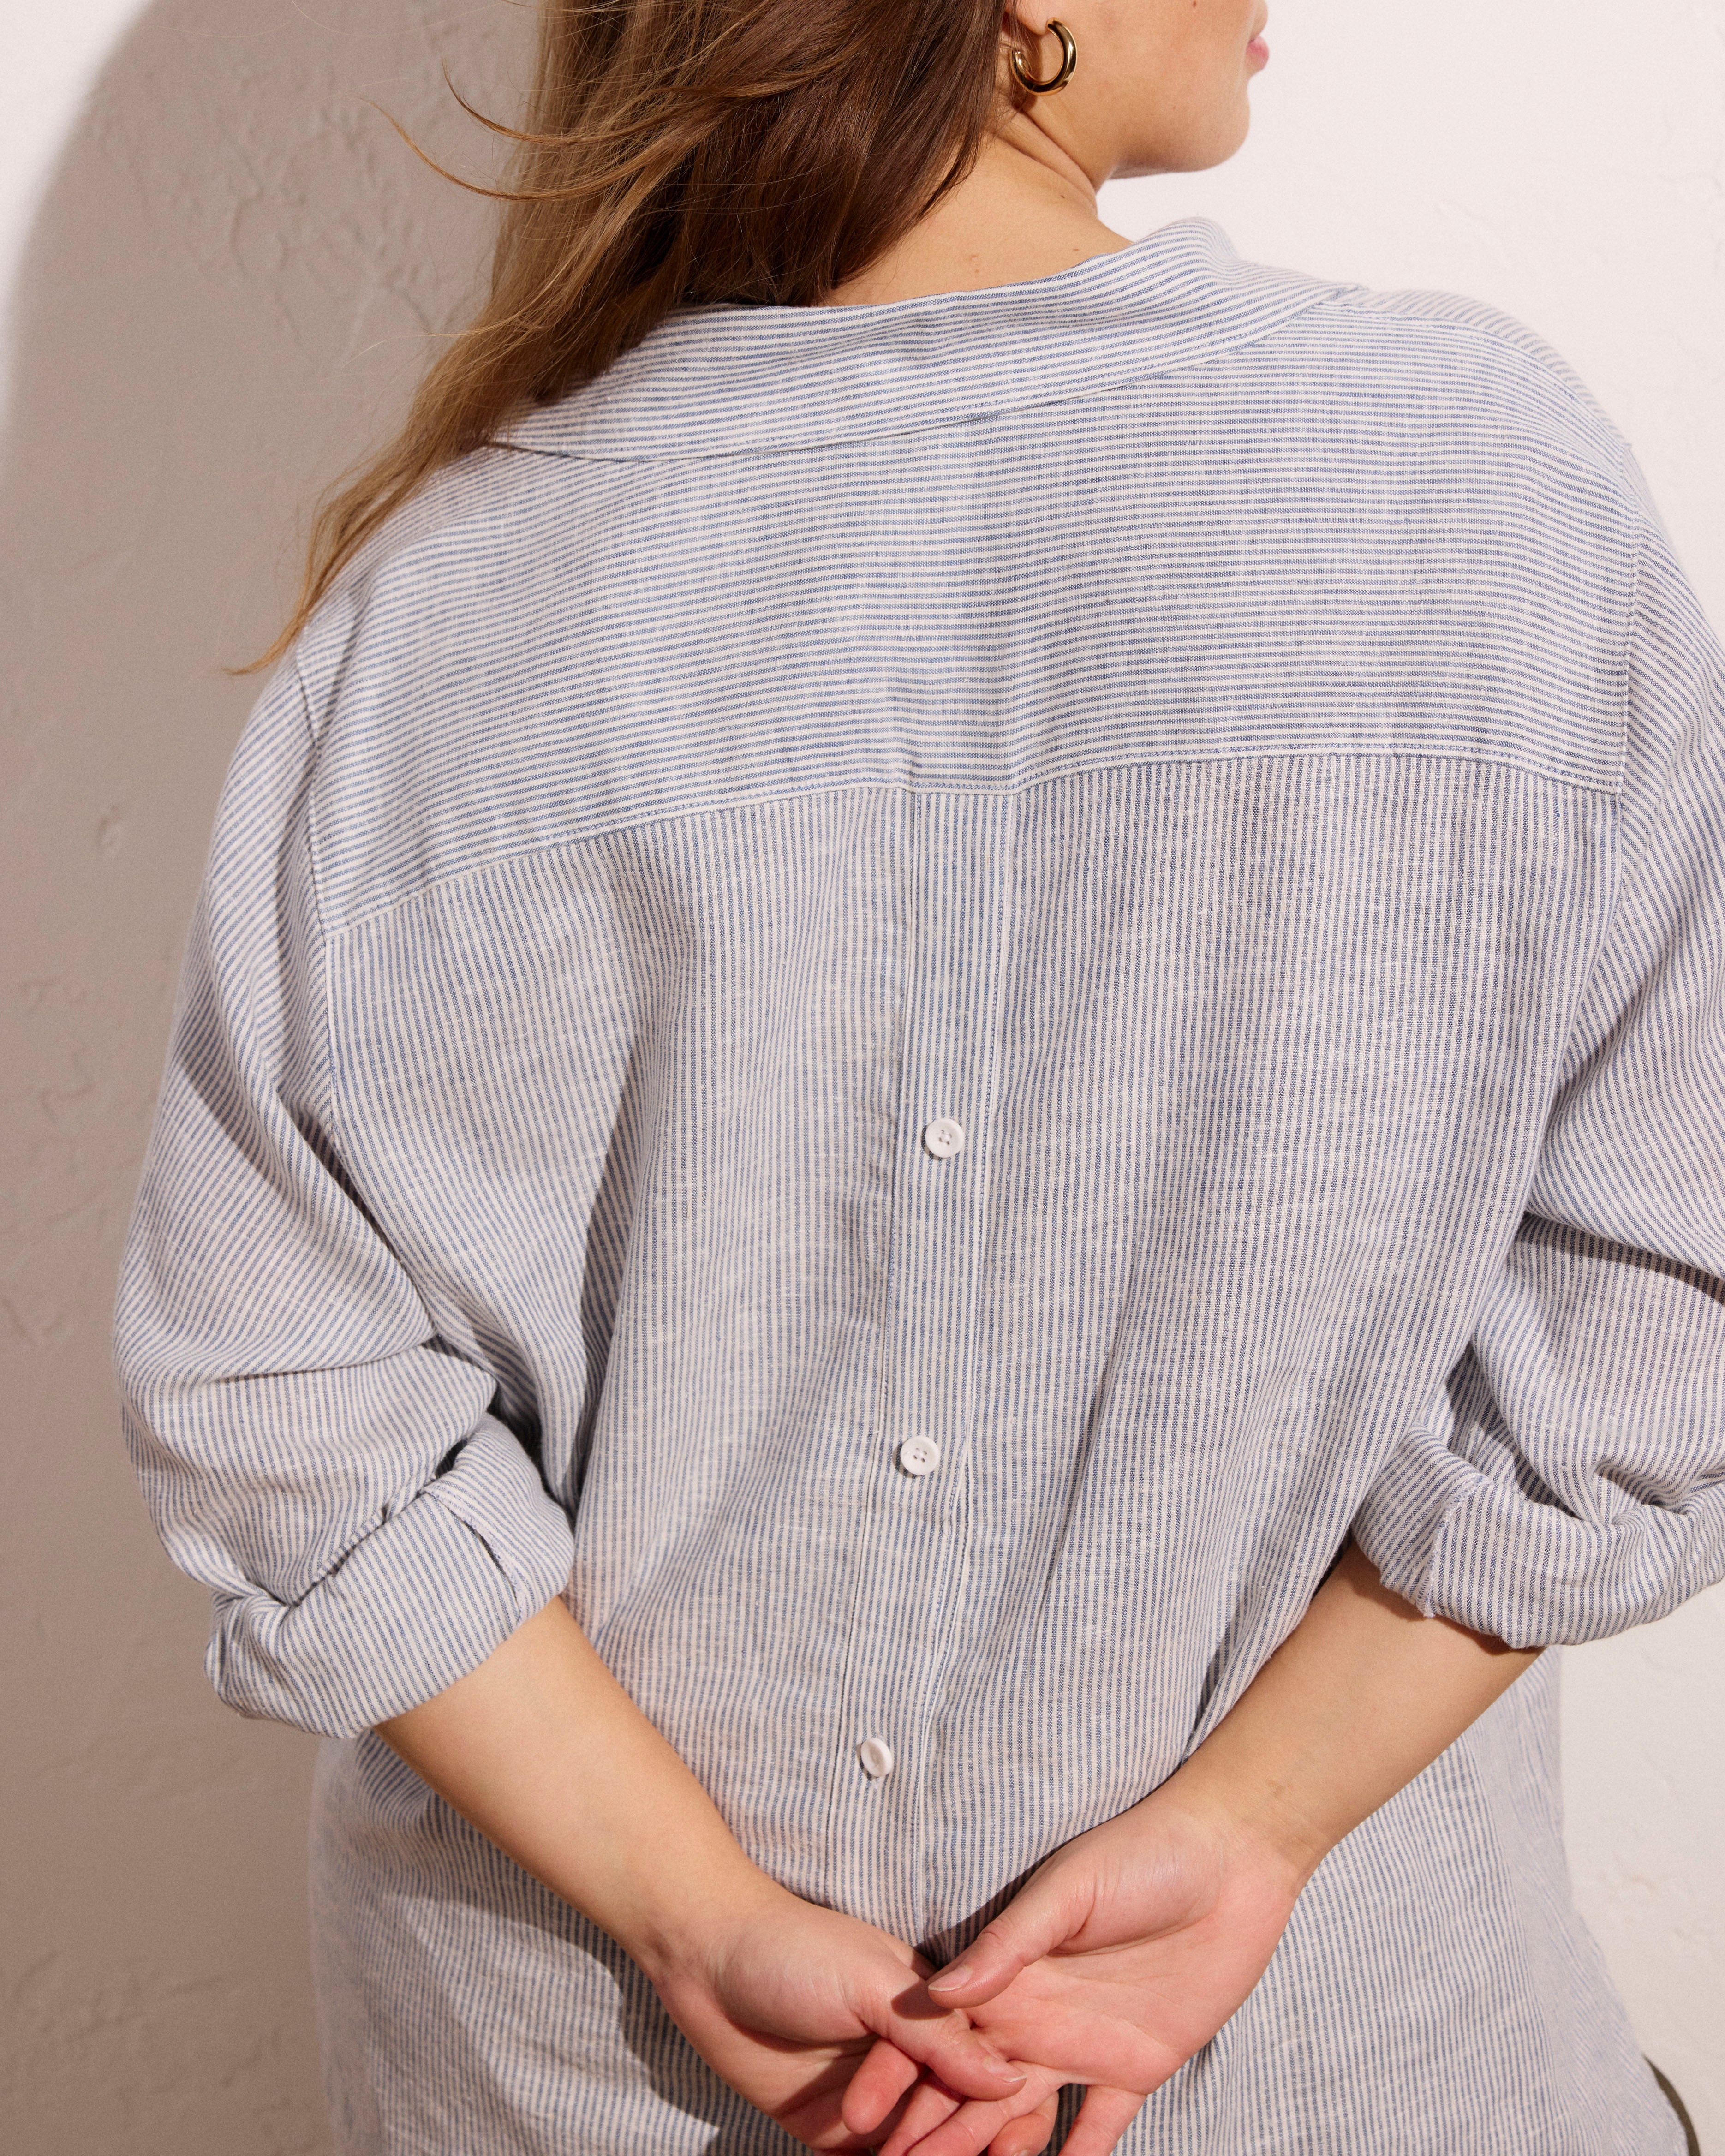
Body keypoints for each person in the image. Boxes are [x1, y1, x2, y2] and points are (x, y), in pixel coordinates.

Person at [112, 2, 1723, 2151]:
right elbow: (1653, 1301)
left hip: (586, 2077)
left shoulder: (446, 611)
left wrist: (696, 1917)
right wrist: (1247, 1827)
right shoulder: (1480, 475)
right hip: (1339, 2073)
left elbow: (282, 1406)